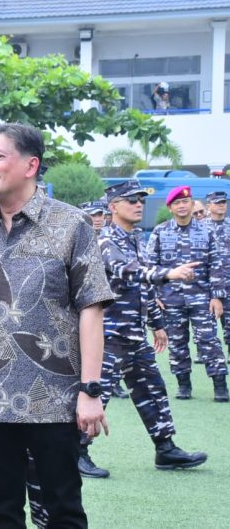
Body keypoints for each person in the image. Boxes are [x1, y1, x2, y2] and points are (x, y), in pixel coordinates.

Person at [0, 122, 113, 528]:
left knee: (64, 512)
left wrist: (90, 390)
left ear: (30, 165)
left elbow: (91, 307)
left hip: (54, 400)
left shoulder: (71, 224)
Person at [79, 180, 207, 477]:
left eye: (141, 200)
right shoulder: (106, 240)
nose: (139, 205)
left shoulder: (136, 238)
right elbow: (128, 271)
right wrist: (169, 273)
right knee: (97, 395)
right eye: (131, 200)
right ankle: (76, 451)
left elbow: (144, 288)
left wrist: (157, 324)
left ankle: (165, 449)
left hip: (134, 335)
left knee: (153, 389)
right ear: (113, 207)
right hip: (108, 335)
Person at [146, 186, 229, 402]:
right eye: (177, 203)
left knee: (209, 341)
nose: (182, 206)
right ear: (170, 208)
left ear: (192, 205)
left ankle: (220, 386)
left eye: (185, 202)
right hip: (170, 299)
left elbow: (216, 265)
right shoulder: (160, 232)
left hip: (202, 298)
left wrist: (217, 297)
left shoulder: (207, 231)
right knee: (177, 343)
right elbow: (150, 266)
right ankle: (184, 385)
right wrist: (154, 295)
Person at [79, 201, 130, 400]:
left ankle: (113, 382)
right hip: (85, 302)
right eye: (93, 215)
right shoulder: (78, 240)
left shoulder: (111, 240)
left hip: (112, 302)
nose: (97, 219)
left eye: (100, 214)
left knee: (112, 345)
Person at [202, 191, 230, 361]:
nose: (221, 205)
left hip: (228, 284)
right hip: (206, 286)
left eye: (223, 202)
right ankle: (211, 358)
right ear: (209, 206)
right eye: (217, 202)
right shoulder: (200, 228)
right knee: (206, 328)